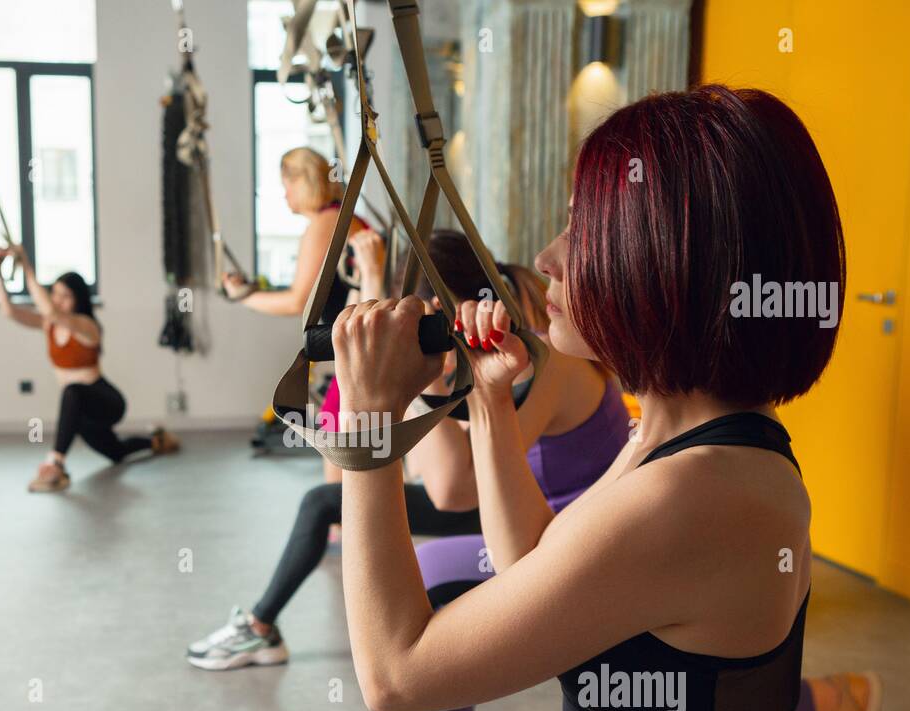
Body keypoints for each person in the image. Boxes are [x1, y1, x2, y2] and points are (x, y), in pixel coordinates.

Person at [332, 86, 904, 711]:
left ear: (671, 259)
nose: (548, 258)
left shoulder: (693, 491)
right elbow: (532, 566)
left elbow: (396, 675)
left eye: (584, 228)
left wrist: (366, 427)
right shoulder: (670, 435)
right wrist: (493, 399)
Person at [186, 231, 626, 671]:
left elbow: (451, 492)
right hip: (520, 513)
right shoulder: (500, 352)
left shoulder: (541, 360)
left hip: (556, 531)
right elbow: (418, 468)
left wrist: (421, 375)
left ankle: (264, 632)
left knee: (431, 572)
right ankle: (261, 627)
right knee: (325, 501)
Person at [228, 146, 370, 481]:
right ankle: (341, 527)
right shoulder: (341, 216)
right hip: (356, 349)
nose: (284, 195)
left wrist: (241, 298)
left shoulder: (326, 222)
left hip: (358, 352)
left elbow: (297, 302)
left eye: (286, 186)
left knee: (338, 446)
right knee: (345, 443)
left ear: (303, 182)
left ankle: (339, 528)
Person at [0, 245, 179, 493]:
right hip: (81, 413)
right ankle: (157, 440)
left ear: (78, 299)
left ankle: (56, 463)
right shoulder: (48, 323)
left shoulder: (86, 326)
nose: (57, 300)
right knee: (117, 453)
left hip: (107, 402)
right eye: (55, 293)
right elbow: (8, 311)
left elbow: (50, 310)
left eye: (65, 296)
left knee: (73, 391)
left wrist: (26, 264)